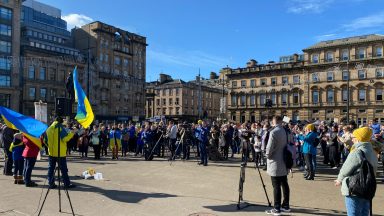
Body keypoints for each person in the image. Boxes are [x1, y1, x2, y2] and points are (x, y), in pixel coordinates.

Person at [335, 127, 378, 216]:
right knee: (364, 212)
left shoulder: (357, 152)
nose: (352, 139)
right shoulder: (373, 152)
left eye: (354, 137)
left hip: (355, 187)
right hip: (368, 187)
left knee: (353, 213)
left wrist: (339, 179)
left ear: (359, 139)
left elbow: (346, 168)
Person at [265, 116, 290, 215]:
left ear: (274, 121)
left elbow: (269, 148)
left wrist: (267, 155)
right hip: (284, 161)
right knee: (284, 183)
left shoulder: (274, 132)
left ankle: (277, 208)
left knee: (276, 186)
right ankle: (286, 205)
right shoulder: (285, 130)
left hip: (275, 161)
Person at [43, 117, 75, 189]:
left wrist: (50, 146)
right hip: (60, 153)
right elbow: (65, 139)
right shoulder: (60, 127)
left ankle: (51, 183)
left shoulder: (48, 129)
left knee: (51, 169)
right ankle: (66, 183)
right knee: (63, 169)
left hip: (51, 152)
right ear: (61, 122)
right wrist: (72, 133)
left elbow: (45, 141)